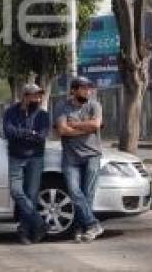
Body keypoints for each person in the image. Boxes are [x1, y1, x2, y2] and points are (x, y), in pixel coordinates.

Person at [56, 76, 104, 243]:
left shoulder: (94, 105)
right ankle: (92, 224)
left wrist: (74, 125)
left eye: (89, 88)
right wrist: (85, 127)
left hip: (92, 155)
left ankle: (81, 228)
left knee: (87, 194)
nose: (88, 91)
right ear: (74, 90)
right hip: (71, 157)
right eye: (83, 88)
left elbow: (96, 125)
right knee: (75, 192)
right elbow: (62, 130)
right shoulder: (62, 106)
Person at [3, 83, 50, 244]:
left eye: (39, 95)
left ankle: (25, 231)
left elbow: (42, 136)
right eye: (34, 95)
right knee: (16, 191)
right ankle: (39, 223)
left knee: (31, 195)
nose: (38, 98)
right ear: (25, 96)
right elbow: (9, 132)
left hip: (36, 157)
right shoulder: (11, 113)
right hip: (16, 156)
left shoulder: (43, 115)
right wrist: (30, 134)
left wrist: (23, 134)